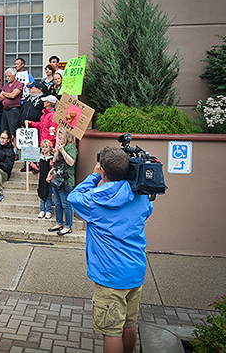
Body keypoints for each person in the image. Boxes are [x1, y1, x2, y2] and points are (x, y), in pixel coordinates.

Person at [68, 147, 153, 353]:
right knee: (129, 324)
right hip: (135, 271)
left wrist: (94, 176)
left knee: (112, 331)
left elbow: (73, 196)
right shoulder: (140, 196)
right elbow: (147, 210)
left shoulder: (95, 201)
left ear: (104, 171)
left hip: (111, 277)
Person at [46, 128, 77, 236]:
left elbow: (71, 162)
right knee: (58, 203)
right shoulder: (60, 145)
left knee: (66, 204)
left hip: (66, 180)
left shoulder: (71, 147)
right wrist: (51, 172)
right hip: (57, 179)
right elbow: (57, 164)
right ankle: (59, 223)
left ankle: (68, 226)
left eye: (60, 132)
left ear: (66, 135)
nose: (57, 133)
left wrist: (63, 151)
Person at [0, 67, 24, 139]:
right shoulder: (6, 85)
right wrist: (8, 94)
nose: (7, 78)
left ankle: (15, 148)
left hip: (14, 110)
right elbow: (0, 98)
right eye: (6, 76)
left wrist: (4, 93)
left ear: (14, 75)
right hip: (5, 111)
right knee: (5, 130)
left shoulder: (18, 84)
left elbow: (13, 95)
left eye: (9, 76)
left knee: (13, 131)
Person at [36, 139, 54, 219]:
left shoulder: (51, 158)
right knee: (42, 195)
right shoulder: (40, 158)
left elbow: (53, 168)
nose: (44, 149)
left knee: (48, 195)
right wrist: (31, 164)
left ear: (50, 148)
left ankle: (49, 210)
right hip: (42, 179)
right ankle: (42, 209)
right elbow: (38, 168)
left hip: (48, 180)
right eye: (43, 147)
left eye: (46, 147)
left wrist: (50, 176)